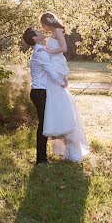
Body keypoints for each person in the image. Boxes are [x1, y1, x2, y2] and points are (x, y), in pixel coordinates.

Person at [39, 12, 90, 162]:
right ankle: (62, 140)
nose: (43, 27)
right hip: (53, 66)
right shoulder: (52, 33)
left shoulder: (58, 31)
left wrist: (49, 51)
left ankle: (71, 145)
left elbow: (64, 48)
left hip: (56, 63)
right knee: (54, 99)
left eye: (43, 25)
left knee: (60, 98)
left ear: (47, 23)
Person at [23, 27, 67, 164]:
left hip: (41, 92)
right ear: (35, 38)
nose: (41, 32)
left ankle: (44, 156)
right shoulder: (40, 53)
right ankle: (41, 159)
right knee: (43, 125)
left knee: (45, 123)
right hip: (39, 93)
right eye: (38, 32)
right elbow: (51, 71)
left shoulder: (41, 50)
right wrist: (62, 82)